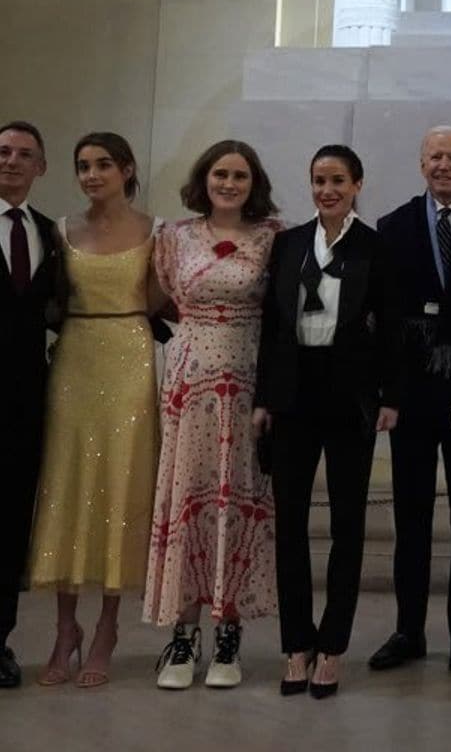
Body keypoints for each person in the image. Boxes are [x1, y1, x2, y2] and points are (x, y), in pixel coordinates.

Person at [254, 144, 398, 699]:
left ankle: (333, 646)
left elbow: (389, 329)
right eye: (319, 180)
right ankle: (297, 643)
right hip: (293, 397)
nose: (327, 190)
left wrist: (390, 396)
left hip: (349, 398)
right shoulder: (289, 243)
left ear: (357, 184)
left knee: (347, 525)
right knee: (289, 524)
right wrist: (265, 398)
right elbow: (272, 327)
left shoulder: (374, 247)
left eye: (338, 180)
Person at [145, 141, 282, 691]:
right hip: (189, 382)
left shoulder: (273, 236)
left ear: (254, 183)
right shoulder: (173, 238)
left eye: (240, 175)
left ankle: (229, 632)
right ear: (204, 178)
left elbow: (282, 316)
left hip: (247, 383)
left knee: (236, 502)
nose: (229, 183)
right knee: (189, 499)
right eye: (220, 174)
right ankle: (183, 635)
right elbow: (154, 302)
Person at [28, 132, 161, 688]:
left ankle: (106, 626)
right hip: (75, 360)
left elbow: (159, 299)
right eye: (83, 165)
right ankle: (65, 628)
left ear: (126, 169)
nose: (92, 174)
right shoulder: (58, 230)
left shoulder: (156, 230)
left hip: (130, 356)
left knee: (120, 485)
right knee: (66, 484)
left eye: (104, 164)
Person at [369, 126, 451, 676]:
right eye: (435, 156)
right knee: (411, 517)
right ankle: (408, 630)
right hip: (413, 394)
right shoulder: (391, 227)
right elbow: (384, 321)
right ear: (421, 164)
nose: (444, 165)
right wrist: (386, 392)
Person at [0, 122, 57, 690]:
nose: (11, 162)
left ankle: (1, 641)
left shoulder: (45, 233)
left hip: (23, 403)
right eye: (3, 151)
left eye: (24, 155)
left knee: (10, 523)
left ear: (40, 168)